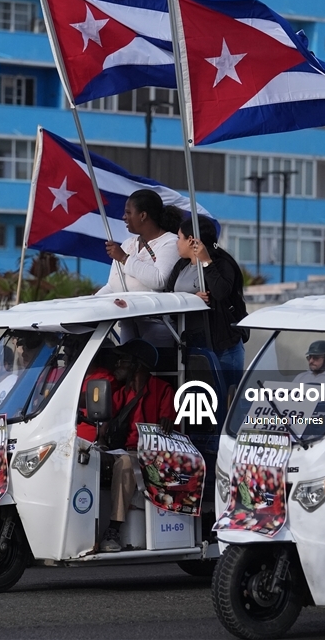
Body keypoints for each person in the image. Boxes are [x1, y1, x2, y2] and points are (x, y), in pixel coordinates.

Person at [98, 339, 176, 553]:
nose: (116, 365)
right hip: (119, 451)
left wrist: (167, 423)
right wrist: (101, 439)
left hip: (148, 455)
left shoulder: (163, 390)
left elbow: (169, 430)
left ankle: (114, 528)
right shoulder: (119, 394)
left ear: (136, 365)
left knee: (124, 462)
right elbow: (103, 426)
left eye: (122, 361)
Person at [166, 218, 248, 393]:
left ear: (191, 240)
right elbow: (168, 297)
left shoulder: (222, 263)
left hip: (223, 344)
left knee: (227, 397)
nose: (176, 242)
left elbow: (220, 292)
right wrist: (190, 299)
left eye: (179, 237)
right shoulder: (181, 265)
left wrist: (206, 262)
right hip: (192, 343)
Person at [97, 189, 182, 294]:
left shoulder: (170, 242)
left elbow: (160, 280)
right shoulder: (127, 244)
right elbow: (111, 286)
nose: (124, 217)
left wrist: (124, 258)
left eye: (128, 213)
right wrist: (91, 302)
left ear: (143, 216)